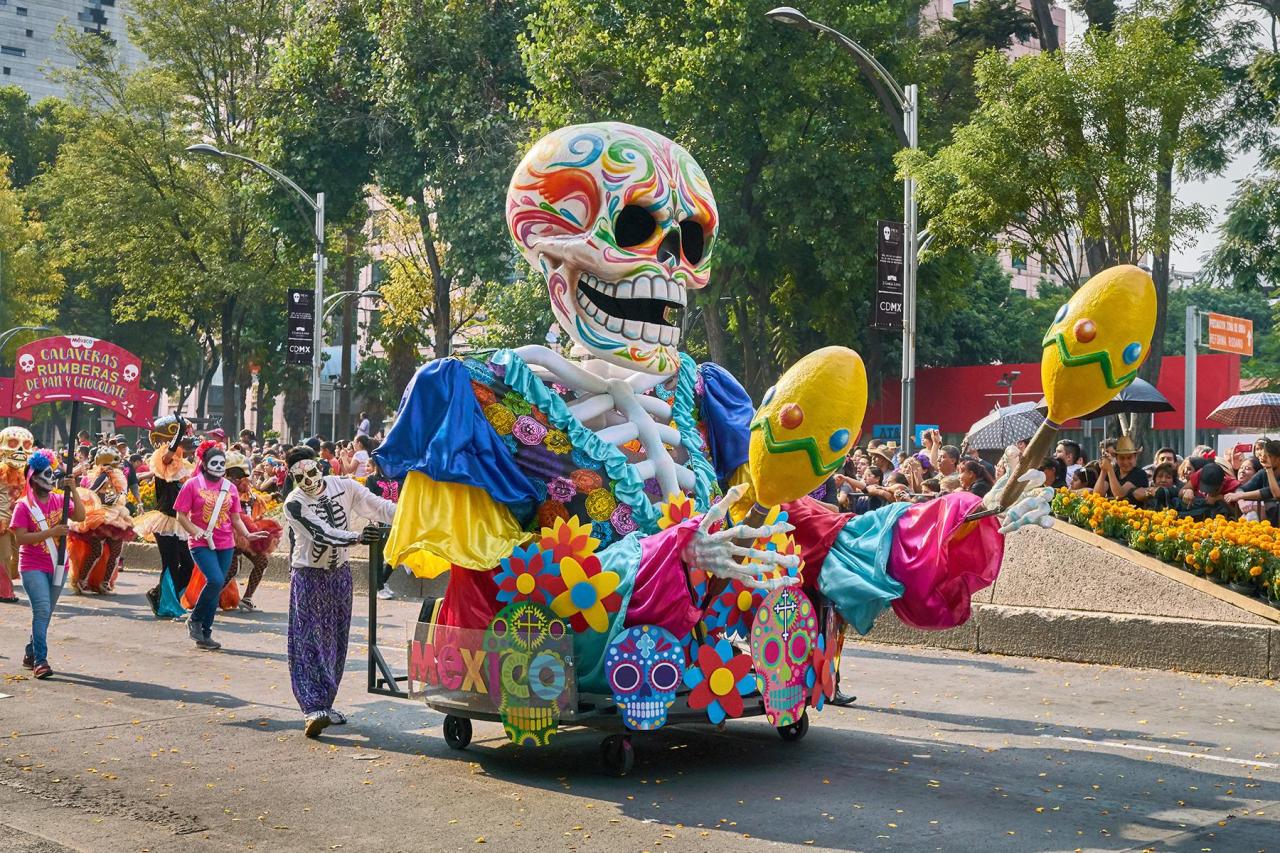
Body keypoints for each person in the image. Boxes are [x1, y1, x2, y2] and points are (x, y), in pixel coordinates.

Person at [282, 447, 396, 738]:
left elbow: (378, 506)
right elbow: (320, 532)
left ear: (320, 467)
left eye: (311, 472)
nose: (308, 481)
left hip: (340, 575)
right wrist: (357, 537)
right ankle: (312, 707)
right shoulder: (294, 503)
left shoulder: (344, 486)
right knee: (309, 639)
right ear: (293, 478)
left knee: (336, 639)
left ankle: (326, 702)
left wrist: (413, 514)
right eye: (300, 477)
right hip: (309, 576)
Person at [174, 442, 267, 650]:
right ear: (205, 465)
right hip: (200, 542)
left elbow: (235, 518)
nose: (218, 466)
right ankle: (195, 619)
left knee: (217, 586)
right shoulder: (192, 484)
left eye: (221, 463)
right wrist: (195, 531)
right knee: (215, 580)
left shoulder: (230, 487)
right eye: (214, 463)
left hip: (226, 543)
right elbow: (180, 515)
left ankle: (205, 634)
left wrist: (248, 534)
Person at [13, 450, 86, 679]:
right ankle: (40, 660)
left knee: (45, 614)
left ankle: (30, 652)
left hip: (58, 565)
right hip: (32, 565)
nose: (51, 477)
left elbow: (81, 517)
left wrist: (73, 488)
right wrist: (51, 532)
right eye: (46, 473)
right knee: (42, 609)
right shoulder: (23, 506)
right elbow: (20, 538)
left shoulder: (59, 499)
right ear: (34, 477)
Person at [138, 418, 197, 617]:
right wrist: (179, 431)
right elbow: (169, 453)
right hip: (165, 522)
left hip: (180, 523)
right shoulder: (164, 462)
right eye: (182, 438)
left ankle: (159, 594)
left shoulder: (184, 466)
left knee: (189, 565)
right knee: (170, 564)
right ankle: (166, 605)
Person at [69, 447, 135, 594]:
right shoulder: (105, 475)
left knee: (115, 551)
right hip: (101, 516)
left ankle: (104, 583)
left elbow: (120, 494)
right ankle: (83, 581)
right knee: (97, 550)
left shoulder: (115, 475)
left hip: (116, 515)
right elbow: (91, 491)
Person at [224, 451, 283, 613]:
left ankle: (247, 599)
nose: (243, 479)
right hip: (230, 535)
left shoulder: (247, 492)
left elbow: (256, 501)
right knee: (231, 570)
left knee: (261, 562)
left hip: (248, 535)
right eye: (238, 476)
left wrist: (270, 497)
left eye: (243, 476)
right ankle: (208, 598)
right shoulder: (224, 490)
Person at [1225, 439, 1280, 523]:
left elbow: (1274, 493)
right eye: (1263, 455)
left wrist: (1240, 496)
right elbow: (1241, 489)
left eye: (1268, 456)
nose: (1263, 459)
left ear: (1278, 459)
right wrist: (1241, 502)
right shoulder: (1263, 473)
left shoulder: (1267, 469)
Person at [1094, 435, 1149, 505]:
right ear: (1116, 458)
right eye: (1122, 458)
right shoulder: (1113, 473)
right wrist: (1104, 470)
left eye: (1129, 458)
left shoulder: (1139, 474)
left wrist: (1109, 469)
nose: (1126, 462)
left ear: (1135, 457)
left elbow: (1119, 495)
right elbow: (1097, 494)